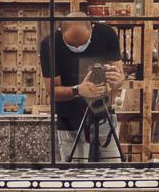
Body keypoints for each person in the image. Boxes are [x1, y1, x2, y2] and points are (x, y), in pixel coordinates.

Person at [39, 12, 126, 163]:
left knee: (112, 170)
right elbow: (52, 92)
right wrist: (78, 90)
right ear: (60, 31)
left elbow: (120, 75)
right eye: (72, 45)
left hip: (103, 114)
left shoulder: (106, 35)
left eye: (83, 43)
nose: (78, 48)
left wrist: (117, 81)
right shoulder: (50, 45)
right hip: (69, 118)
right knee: (75, 172)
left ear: (92, 28)